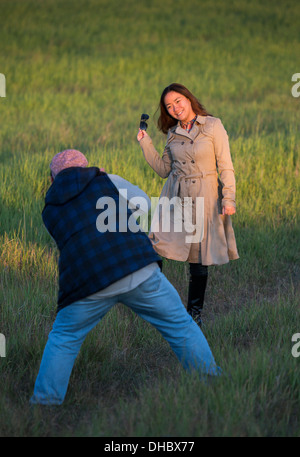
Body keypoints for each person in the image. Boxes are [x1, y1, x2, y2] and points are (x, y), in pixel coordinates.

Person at [30, 149, 221, 405]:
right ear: (87, 167)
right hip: (136, 267)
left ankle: (45, 404)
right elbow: (142, 202)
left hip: (86, 283)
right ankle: (210, 380)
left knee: (63, 338)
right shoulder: (107, 181)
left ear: (53, 179)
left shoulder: (49, 208)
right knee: (179, 324)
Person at [137, 83, 239, 326]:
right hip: (177, 198)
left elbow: (225, 165)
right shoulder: (172, 135)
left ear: (189, 99)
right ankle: (157, 303)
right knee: (155, 244)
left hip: (205, 198)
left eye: (178, 101)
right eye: (169, 106)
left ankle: (194, 316)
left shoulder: (213, 125)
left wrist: (229, 198)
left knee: (198, 259)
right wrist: (145, 143)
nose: (175, 108)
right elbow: (163, 170)